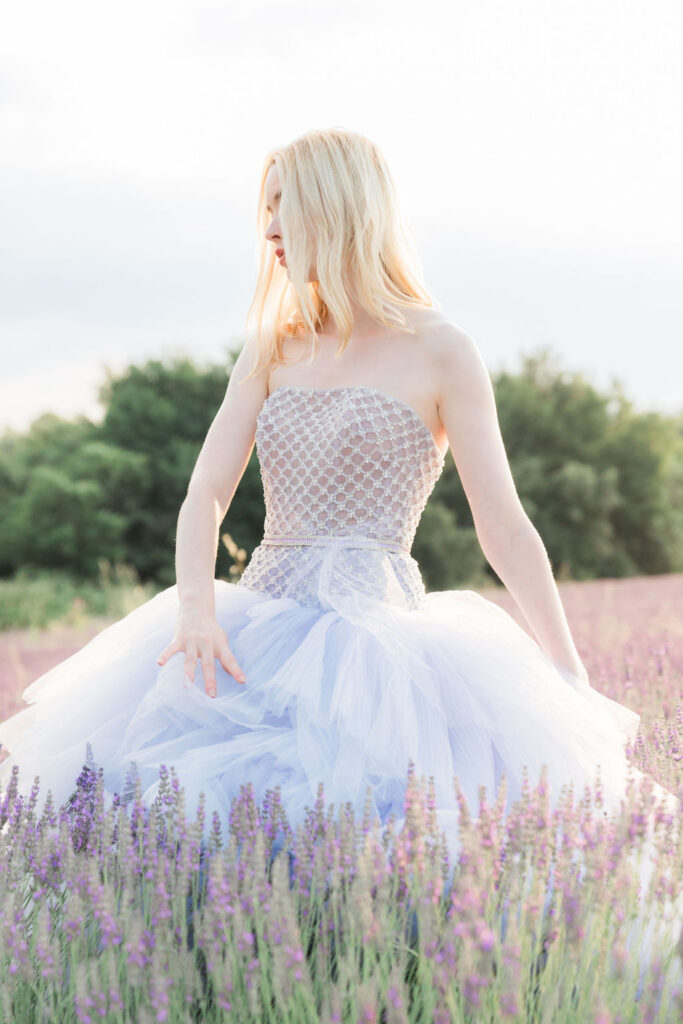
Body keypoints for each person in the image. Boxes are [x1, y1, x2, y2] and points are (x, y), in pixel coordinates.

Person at [0, 128, 679, 880]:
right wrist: (196, 609)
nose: (267, 230)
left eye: (282, 206)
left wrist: (566, 670)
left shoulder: (442, 350)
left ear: (338, 205)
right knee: (179, 836)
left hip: (381, 645)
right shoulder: (271, 349)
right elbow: (205, 495)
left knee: (384, 851)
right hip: (253, 629)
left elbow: (505, 527)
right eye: (264, 209)